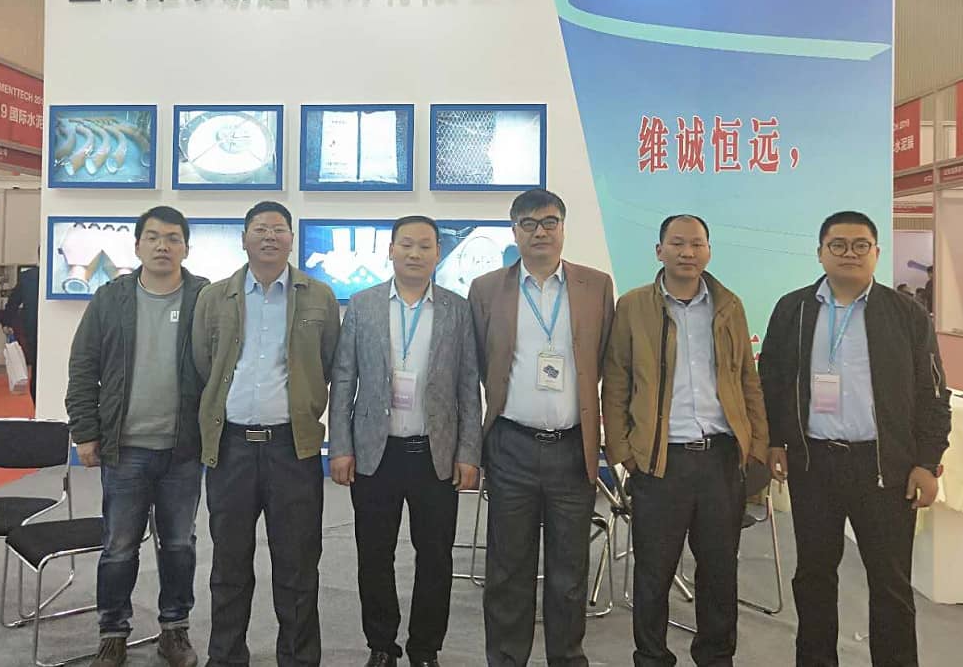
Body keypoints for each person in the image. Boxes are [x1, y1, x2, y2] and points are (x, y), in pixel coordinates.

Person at [759, 211, 952, 667]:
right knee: (813, 577)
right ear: (820, 252)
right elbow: (773, 379)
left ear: (876, 253)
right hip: (814, 465)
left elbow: (933, 393)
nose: (850, 253)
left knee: (891, 584)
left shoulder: (905, 313)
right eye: (838, 245)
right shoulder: (794, 309)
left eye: (860, 245)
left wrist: (927, 461)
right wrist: (776, 440)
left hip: (884, 468)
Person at [603, 214, 769, 667]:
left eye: (696, 244)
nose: (687, 252)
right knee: (653, 572)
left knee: (719, 570)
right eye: (677, 243)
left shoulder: (729, 305)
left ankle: (715, 657)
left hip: (720, 459)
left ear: (708, 251)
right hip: (660, 462)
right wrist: (622, 451)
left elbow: (747, 378)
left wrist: (756, 444)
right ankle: (652, 657)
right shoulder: (633, 306)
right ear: (659, 251)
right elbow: (615, 381)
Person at [467, 189, 615, 667]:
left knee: (569, 571)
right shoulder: (487, 289)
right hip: (511, 444)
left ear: (563, 228)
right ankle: (506, 659)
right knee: (508, 568)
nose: (540, 232)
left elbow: (606, 363)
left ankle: (566, 657)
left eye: (549, 221)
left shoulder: (596, 286)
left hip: (573, 448)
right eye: (528, 223)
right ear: (514, 231)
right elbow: (476, 367)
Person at [328, 215, 483, 667]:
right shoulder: (363, 305)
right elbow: (344, 379)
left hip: (435, 454)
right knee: (374, 554)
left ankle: (425, 648)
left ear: (438, 253)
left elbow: (468, 384)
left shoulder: (456, 309)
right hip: (376, 454)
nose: (415, 253)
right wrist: (340, 446)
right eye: (407, 244)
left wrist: (468, 452)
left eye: (425, 246)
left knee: (435, 557)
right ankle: (381, 644)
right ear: (391, 250)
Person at [193, 201, 341, 667]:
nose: (270, 236)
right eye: (260, 229)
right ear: (244, 239)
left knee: (297, 565)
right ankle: (226, 657)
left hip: (292, 449)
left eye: (279, 229)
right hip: (231, 448)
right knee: (229, 564)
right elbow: (203, 364)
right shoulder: (214, 297)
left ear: (291, 239)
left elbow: (329, 364)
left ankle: (298, 658)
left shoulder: (319, 296)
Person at [65, 206, 207, 667]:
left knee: (179, 545)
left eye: (173, 238)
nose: (163, 246)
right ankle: (113, 632)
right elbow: (83, 366)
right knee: (119, 547)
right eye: (153, 237)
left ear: (186, 247)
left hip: (183, 449)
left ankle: (174, 630)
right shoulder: (111, 299)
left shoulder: (204, 298)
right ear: (138, 245)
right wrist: (85, 431)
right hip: (124, 448)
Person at [5, 260, 40, 404]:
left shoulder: (27, 277)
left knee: (36, 368)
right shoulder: (59, 276)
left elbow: (13, 302)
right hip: (56, 330)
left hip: (32, 327)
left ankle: (37, 404)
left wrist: (6, 322)